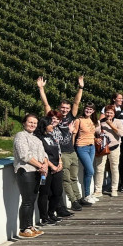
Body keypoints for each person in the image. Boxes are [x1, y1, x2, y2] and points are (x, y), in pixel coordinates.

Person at [37, 75, 84, 211]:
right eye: (63, 108)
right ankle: (73, 201)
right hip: (61, 153)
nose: (65, 110)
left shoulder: (70, 116)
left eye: (67, 108)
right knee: (66, 179)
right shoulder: (54, 117)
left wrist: (81, 87)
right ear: (59, 107)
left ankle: (78, 198)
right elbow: (46, 104)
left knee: (74, 177)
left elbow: (76, 103)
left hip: (72, 151)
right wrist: (41, 89)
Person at [12, 113, 48, 239]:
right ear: (24, 123)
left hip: (37, 172)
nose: (32, 125)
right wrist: (40, 165)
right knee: (27, 200)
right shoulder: (20, 136)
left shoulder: (37, 139)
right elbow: (24, 155)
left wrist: (45, 165)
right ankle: (24, 228)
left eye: (35, 123)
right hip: (25, 171)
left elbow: (44, 154)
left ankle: (30, 225)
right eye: (30, 122)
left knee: (32, 200)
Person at [35, 113, 65, 224]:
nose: (53, 125)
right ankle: (44, 217)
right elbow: (42, 154)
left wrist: (60, 162)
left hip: (57, 167)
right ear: (45, 125)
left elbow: (58, 150)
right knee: (45, 193)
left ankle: (51, 213)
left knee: (57, 192)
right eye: (50, 124)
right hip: (46, 169)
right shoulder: (39, 138)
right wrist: (51, 166)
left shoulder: (51, 136)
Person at [92, 104, 123, 200]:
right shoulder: (100, 122)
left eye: (111, 113)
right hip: (102, 148)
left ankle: (114, 189)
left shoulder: (118, 122)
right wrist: (99, 126)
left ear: (114, 113)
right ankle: (98, 190)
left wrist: (111, 125)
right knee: (100, 169)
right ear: (104, 113)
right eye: (107, 112)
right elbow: (96, 132)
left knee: (114, 168)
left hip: (115, 147)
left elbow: (121, 133)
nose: (109, 114)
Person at [73, 102, 97, 204]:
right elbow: (74, 134)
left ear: (93, 111)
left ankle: (87, 194)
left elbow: (92, 134)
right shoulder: (79, 120)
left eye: (91, 109)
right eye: (87, 108)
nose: (88, 110)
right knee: (90, 171)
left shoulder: (92, 120)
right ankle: (87, 195)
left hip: (92, 147)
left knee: (88, 172)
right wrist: (72, 148)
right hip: (82, 147)